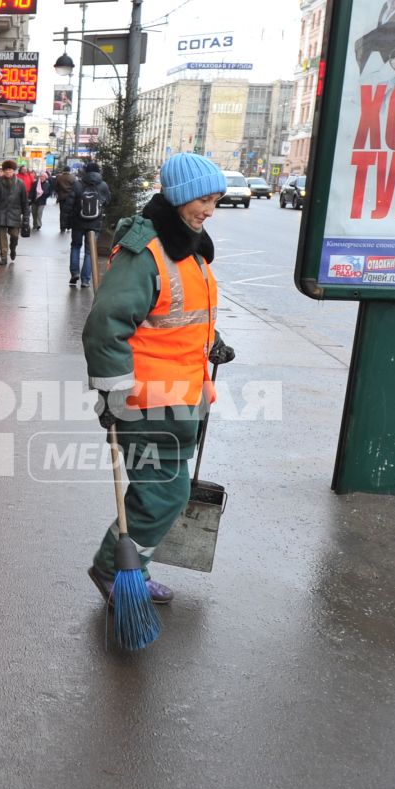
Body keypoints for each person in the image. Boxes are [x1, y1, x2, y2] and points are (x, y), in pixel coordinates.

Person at [83, 153, 233, 608]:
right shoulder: (147, 252)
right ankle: (114, 568)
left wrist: (213, 342)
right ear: (180, 197)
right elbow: (106, 325)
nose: (209, 210)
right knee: (164, 495)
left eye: (215, 201)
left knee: (159, 490)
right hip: (148, 400)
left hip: (182, 395)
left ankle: (135, 569)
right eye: (203, 200)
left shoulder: (186, 244)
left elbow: (178, 314)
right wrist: (112, 391)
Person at [67, 162, 111, 288]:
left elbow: (69, 204)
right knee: (89, 251)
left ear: (86, 171)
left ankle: (74, 273)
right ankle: (86, 280)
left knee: (75, 246)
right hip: (95, 223)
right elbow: (107, 201)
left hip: (78, 221)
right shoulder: (103, 185)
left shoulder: (78, 184)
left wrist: (66, 221)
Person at [0, 158, 27, 265]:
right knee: (1, 236)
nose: (8, 172)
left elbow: (24, 201)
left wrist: (26, 217)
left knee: (14, 235)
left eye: (10, 170)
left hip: (15, 213)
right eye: (6, 170)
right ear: (3, 171)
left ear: (14, 171)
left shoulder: (20, 184)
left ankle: (13, 248)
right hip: (1, 213)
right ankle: (3, 256)